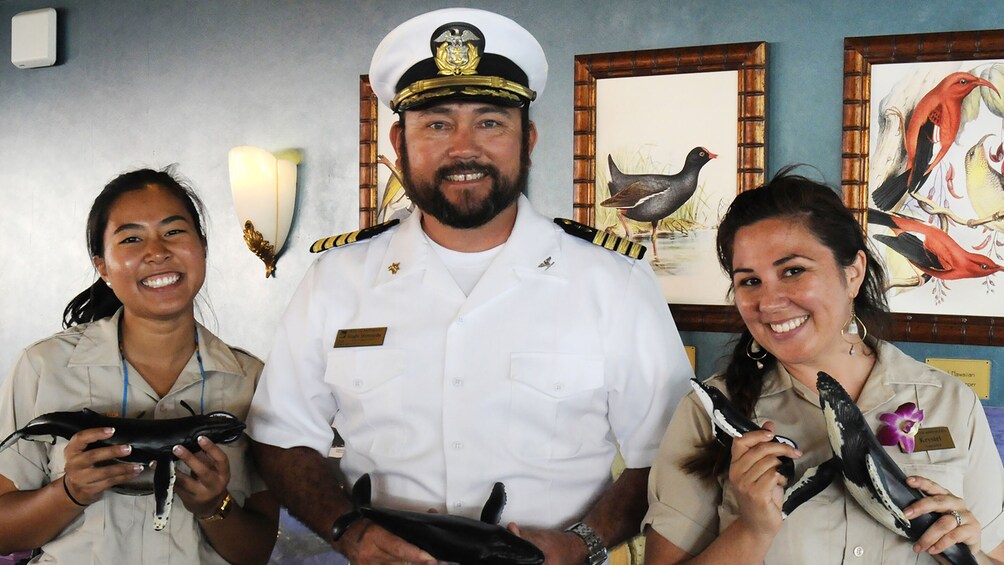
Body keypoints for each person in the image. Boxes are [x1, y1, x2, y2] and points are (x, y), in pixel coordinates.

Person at [246, 7, 693, 564]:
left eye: (489, 122)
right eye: (436, 123)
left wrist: (584, 543)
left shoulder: (613, 282)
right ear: (398, 140)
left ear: (527, 138)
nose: (463, 148)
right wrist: (348, 531)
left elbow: (675, 455)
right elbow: (282, 435)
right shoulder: (336, 280)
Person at [643, 168, 1004, 564]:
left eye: (793, 271)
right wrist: (752, 529)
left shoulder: (951, 402)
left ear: (852, 273)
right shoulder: (706, 413)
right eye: (749, 281)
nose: (769, 301)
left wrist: (965, 553)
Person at [0, 168, 279, 564]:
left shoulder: (252, 382)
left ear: (202, 246)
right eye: (131, 238)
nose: (157, 251)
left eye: (174, 231)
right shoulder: (44, 366)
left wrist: (214, 506)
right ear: (103, 266)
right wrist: (70, 492)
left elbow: (256, 552)